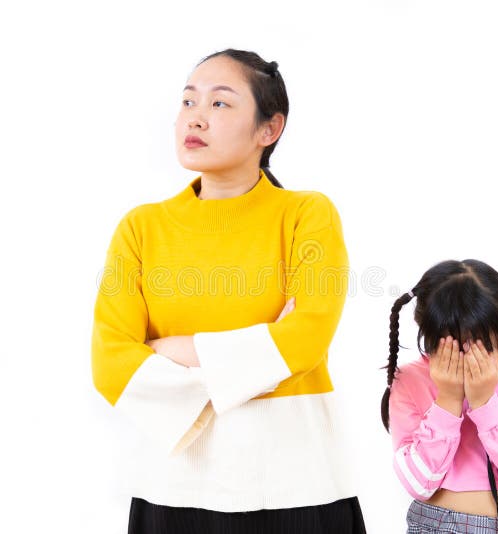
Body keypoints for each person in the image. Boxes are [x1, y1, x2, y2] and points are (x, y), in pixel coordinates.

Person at [91, 48, 366, 533]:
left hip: (294, 486)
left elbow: (305, 340)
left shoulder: (306, 214)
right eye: (187, 101)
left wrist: (173, 351)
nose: (195, 117)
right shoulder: (141, 228)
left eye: (220, 104)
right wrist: (261, 350)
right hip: (173, 488)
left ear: (269, 129)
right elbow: (111, 365)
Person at [380, 260, 498, 533]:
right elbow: (418, 484)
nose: (464, 356)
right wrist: (448, 399)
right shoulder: (410, 379)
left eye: (476, 343)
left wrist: (485, 403)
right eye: (447, 345)